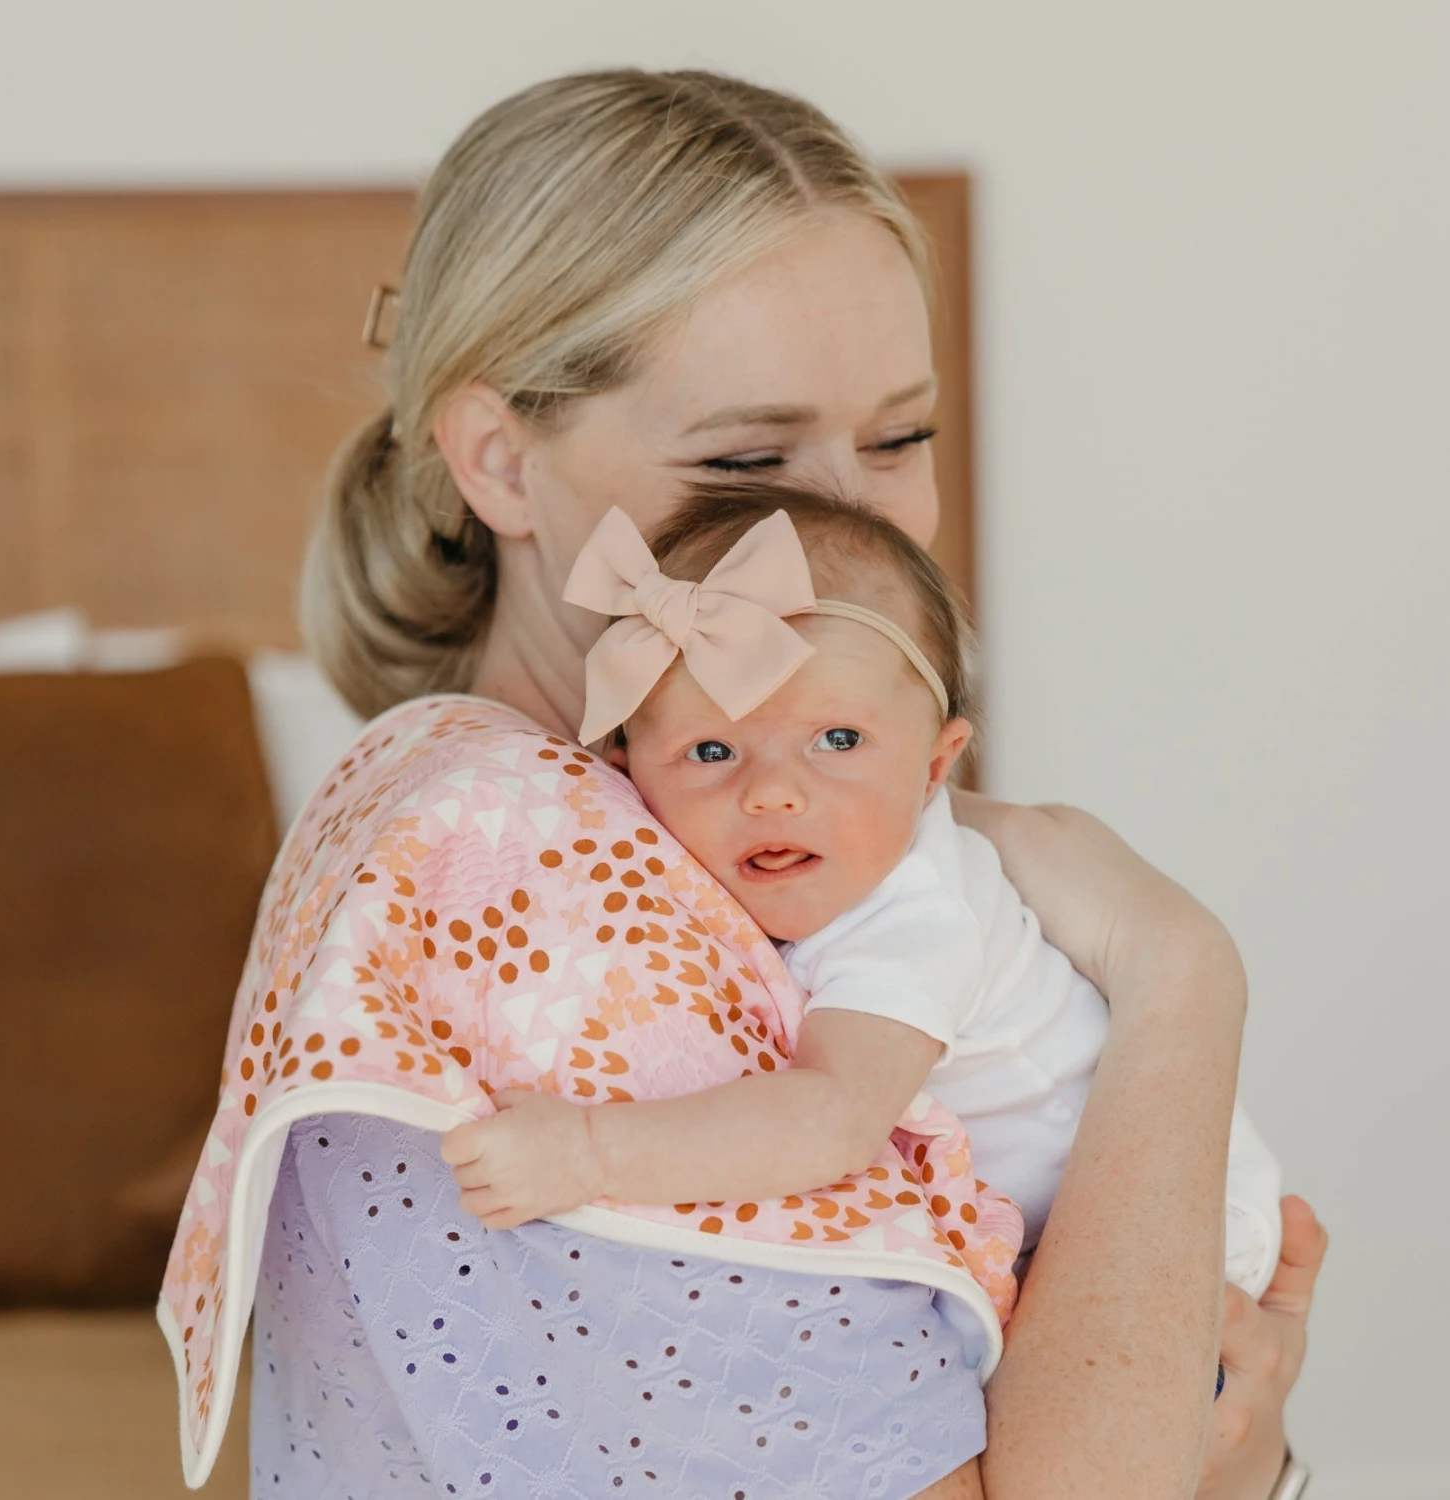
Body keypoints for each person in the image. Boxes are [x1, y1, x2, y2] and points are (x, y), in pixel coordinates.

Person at [161, 69, 1325, 1500]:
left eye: (900, 438)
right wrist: (1182, 974)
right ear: (501, 463)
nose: (853, 529)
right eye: (746, 460)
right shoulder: (524, 880)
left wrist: (1233, 1446)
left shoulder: (694, 839)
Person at [439, 484, 1284, 1307]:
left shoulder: (915, 916)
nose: (773, 794)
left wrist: (587, 1152)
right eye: (709, 752)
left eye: (838, 740)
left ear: (934, 767)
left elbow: (831, 1119)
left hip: (1178, 1231)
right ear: (626, 778)